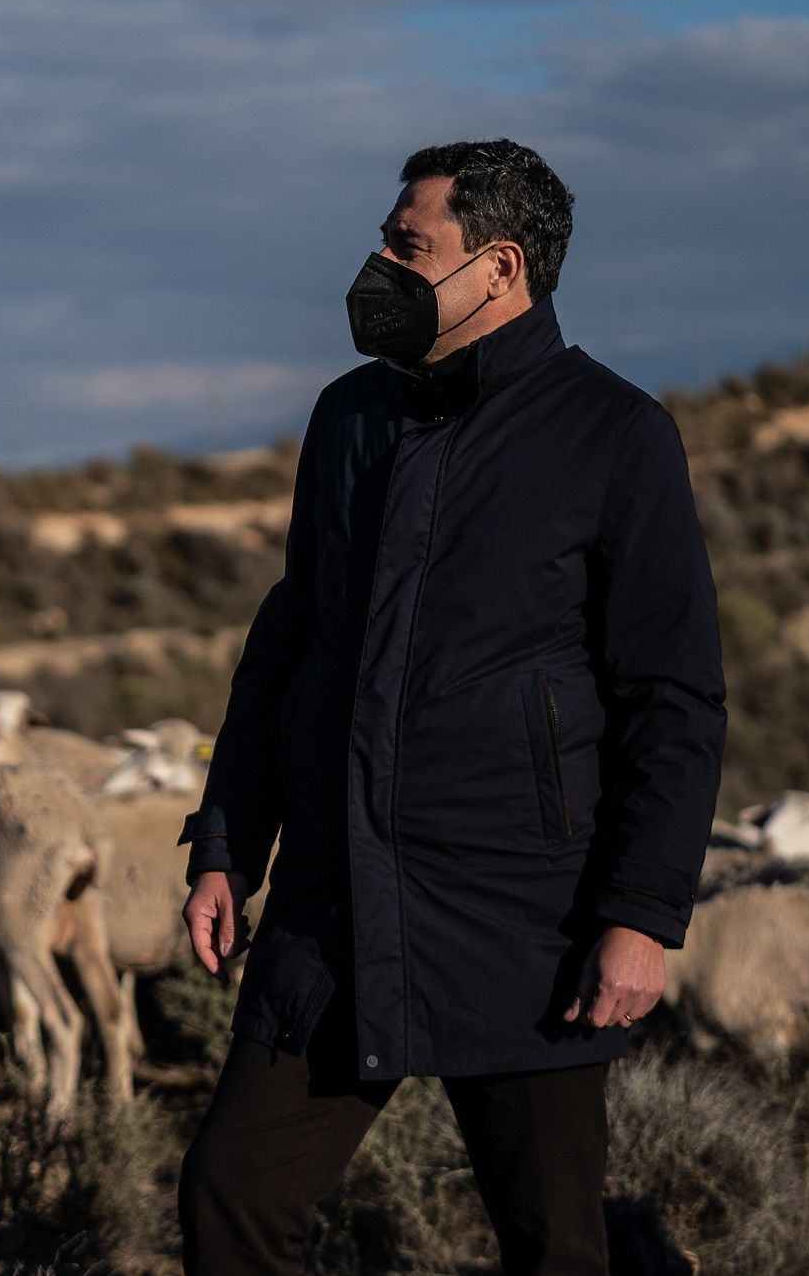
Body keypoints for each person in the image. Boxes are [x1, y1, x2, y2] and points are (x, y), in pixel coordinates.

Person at [174, 137, 728, 1275]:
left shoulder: (614, 436)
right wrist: (228, 840)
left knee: (554, 1246)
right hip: (337, 906)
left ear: (500, 267)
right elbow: (287, 646)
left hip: (525, 918)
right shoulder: (348, 418)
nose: (376, 261)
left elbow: (669, 696)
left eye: (405, 242)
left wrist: (637, 915)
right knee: (229, 1198)